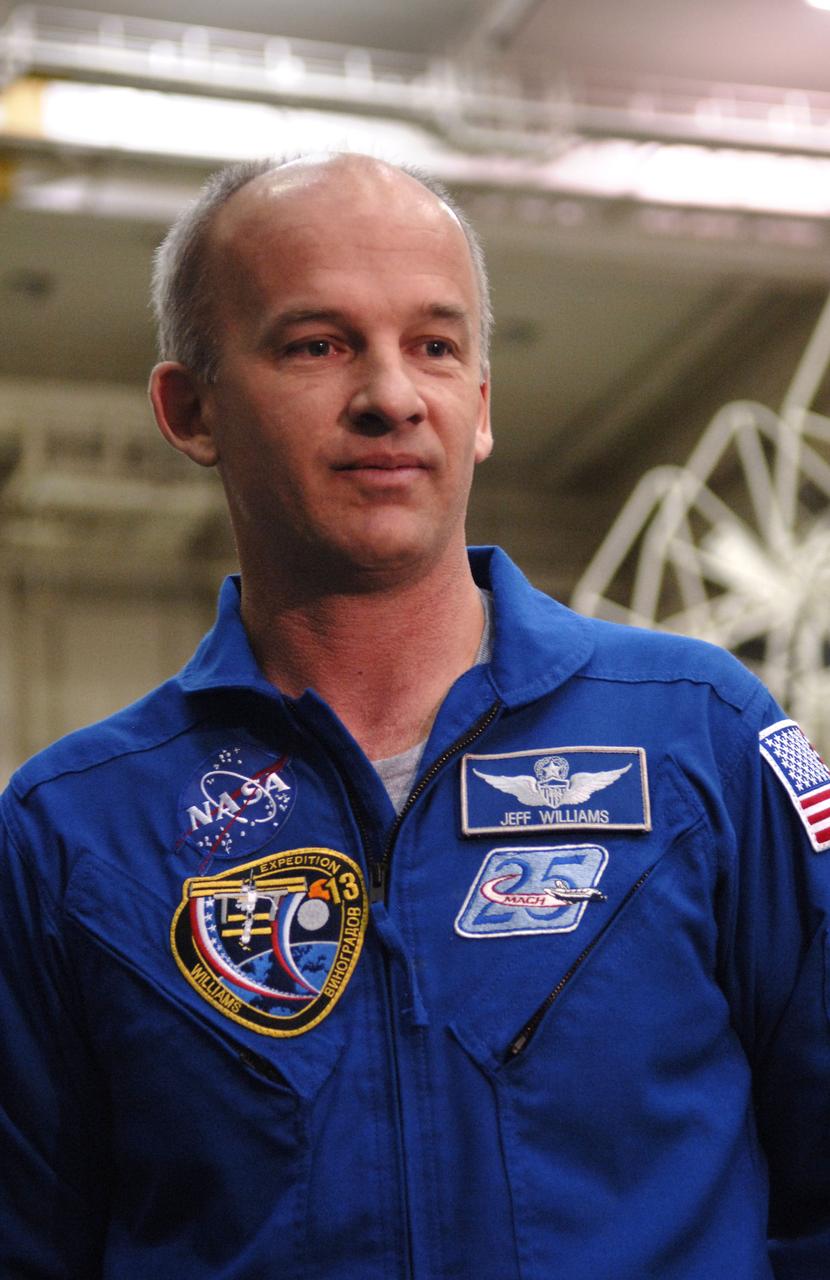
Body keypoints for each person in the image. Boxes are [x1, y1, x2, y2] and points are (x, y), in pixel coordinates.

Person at [1, 153, 828, 1280]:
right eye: (317, 343)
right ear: (190, 409)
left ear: (480, 407)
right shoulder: (72, 835)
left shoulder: (700, 738)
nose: (391, 394)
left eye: (435, 346)